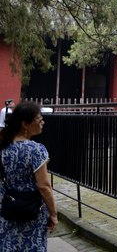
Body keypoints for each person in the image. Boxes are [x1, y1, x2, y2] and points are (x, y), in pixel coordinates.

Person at [0, 100, 59, 251]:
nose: (42, 123)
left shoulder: (3, 146)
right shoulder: (36, 150)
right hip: (32, 210)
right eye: (39, 120)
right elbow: (44, 186)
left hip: (7, 207)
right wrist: (53, 213)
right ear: (25, 124)